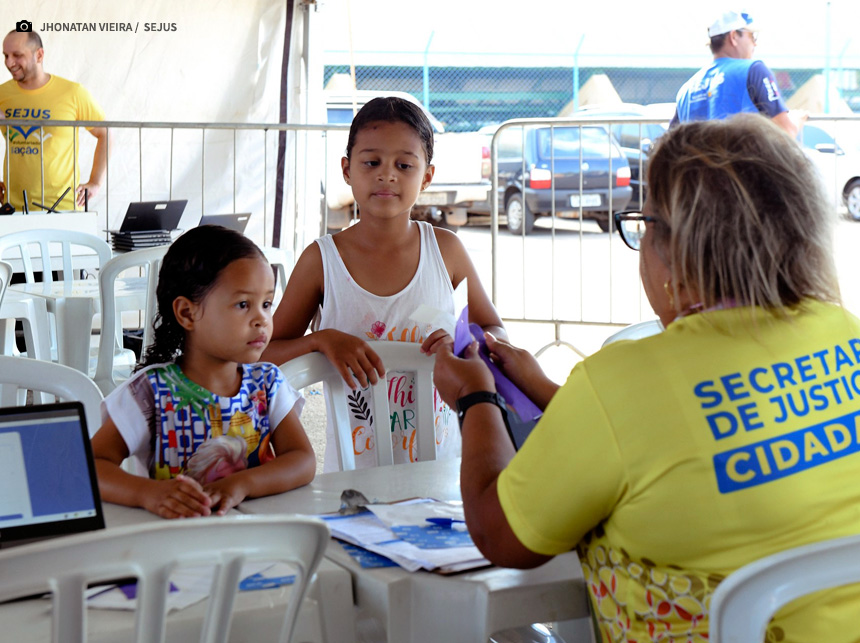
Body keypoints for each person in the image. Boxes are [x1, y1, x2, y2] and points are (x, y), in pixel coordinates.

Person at [433, 115, 860, 642]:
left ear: (680, 253)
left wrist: (474, 396)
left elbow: (502, 537)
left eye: (644, 225)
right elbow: (679, 443)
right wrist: (542, 387)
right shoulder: (845, 332)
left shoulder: (624, 379)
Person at [262, 96, 505, 471]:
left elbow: (496, 332)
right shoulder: (322, 261)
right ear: (347, 169)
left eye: (404, 165)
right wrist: (319, 341)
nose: (387, 175)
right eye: (371, 162)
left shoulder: (447, 251)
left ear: (426, 176)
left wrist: (466, 344)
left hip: (442, 471)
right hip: (353, 479)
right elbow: (262, 354)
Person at [92, 226, 316, 519]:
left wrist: (242, 483)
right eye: (243, 304)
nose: (262, 319)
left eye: (266, 304)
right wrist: (147, 494)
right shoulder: (152, 392)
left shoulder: (268, 384)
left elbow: (302, 460)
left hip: (258, 542)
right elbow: (91, 465)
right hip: (177, 547)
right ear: (187, 313)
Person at [0, 30, 109, 212]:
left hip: (62, 208)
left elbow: (105, 133)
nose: (9, 63)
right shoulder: (2, 94)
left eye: (17, 55)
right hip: (13, 208)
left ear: (39, 55)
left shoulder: (72, 92)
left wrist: (95, 182)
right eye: (6, 56)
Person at [670, 10, 804, 138]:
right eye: (752, 36)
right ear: (733, 36)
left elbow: (671, 146)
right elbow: (786, 131)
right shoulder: (754, 70)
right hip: (742, 162)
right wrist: (797, 120)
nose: (755, 44)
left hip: (697, 162)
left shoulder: (686, 89)